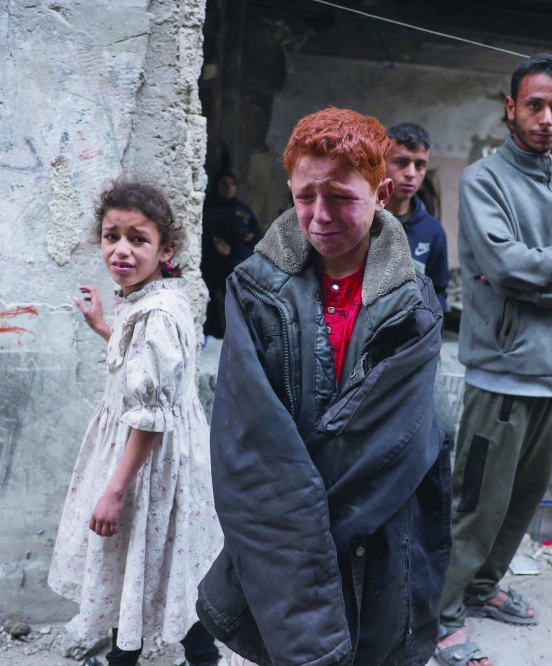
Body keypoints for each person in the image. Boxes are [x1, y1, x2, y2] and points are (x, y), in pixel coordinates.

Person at [196, 108, 451, 666]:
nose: (319, 215)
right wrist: (287, 546)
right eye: (305, 196)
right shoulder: (253, 290)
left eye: (341, 197)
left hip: (379, 535)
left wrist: (283, 537)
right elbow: (251, 445)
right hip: (283, 540)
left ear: (382, 193)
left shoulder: (414, 302)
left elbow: (384, 448)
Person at [436, 54, 552, 666]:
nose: (547, 118)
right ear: (510, 107)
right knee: (478, 502)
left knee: (523, 499)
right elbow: (506, 268)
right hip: (501, 373)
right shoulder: (486, 181)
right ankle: (441, 615)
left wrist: (544, 277)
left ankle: (484, 589)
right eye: (535, 105)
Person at [49, 180, 223, 666]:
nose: (121, 250)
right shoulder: (152, 302)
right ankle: (192, 657)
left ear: (165, 248)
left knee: (139, 559)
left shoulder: (157, 316)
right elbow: (145, 368)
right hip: (158, 459)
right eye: (111, 236)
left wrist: (115, 490)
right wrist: (106, 327)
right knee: (157, 562)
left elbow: (150, 418)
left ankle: (136, 661)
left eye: (138, 239)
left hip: (146, 462)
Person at [385, 122, 450, 312]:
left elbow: (438, 291)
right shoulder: (362, 223)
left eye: (420, 165)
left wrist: (426, 331)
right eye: (401, 163)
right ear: (381, 162)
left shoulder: (432, 231)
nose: (411, 174)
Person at [201, 170, 261, 337]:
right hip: (215, 269)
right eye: (224, 184)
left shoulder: (242, 209)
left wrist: (250, 238)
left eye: (232, 184)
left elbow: (257, 234)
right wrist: (213, 245)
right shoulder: (208, 209)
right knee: (215, 306)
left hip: (240, 268)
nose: (228, 188)